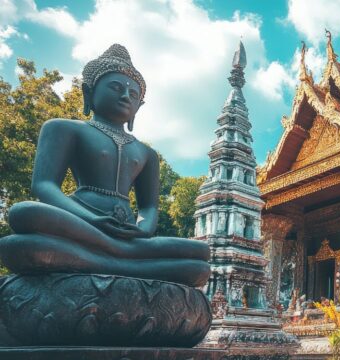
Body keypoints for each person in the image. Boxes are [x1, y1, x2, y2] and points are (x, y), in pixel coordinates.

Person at [0, 44, 209, 286]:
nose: (125, 97)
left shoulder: (147, 154)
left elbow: (148, 208)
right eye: (116, 88)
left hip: (129, 237)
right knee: (25, 213)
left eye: (133, 95)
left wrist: (142, 230)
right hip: (80, 225)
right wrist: (92, 220)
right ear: (89, 93)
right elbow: (44, 185)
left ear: (139, 106)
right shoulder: (63, 128)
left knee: (199, 257)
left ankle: (109, 258)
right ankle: (121, 260)